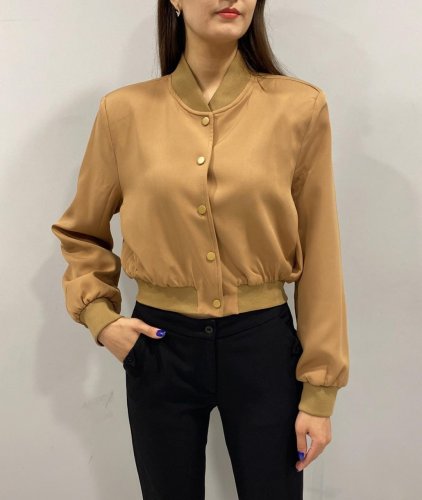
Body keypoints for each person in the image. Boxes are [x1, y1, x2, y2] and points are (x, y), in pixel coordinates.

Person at [51, 1, 350, 498]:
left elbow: (321, 249)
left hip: (263, 348)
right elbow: (81, 232)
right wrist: (102, 320)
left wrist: (320, 392)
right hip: (158, 346)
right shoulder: (123, 112)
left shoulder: (300, 107)